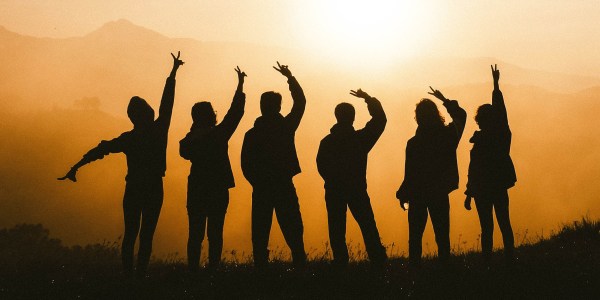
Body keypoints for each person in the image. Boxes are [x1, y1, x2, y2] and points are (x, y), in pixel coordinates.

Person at [58, 52, 184, 276]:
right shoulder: (158, 130)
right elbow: (168, 103)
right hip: (154, 187)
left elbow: (100, 149)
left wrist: (76, 166)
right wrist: (173, 73)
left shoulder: (129, 139)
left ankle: (128, 276)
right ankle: (140, 276)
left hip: (134, 187)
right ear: (147, 113)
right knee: (146, 235)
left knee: (130, 234)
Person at [180, 66, 246, 272]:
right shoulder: (218, 135)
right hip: (217, 188)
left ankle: (193, 270)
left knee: (195, 233)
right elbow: (235, 114)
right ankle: (214, 270)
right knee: (215, 232)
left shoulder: (190, 139)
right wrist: (240, 86)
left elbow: (183, 151)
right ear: (211, 116)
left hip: (197, 188)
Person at [241, 62, 307, 268]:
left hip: (262, 187)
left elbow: (246, 164)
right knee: (292, 226)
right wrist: (290, 77)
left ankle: (261, 267)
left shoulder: (253, 134)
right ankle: (299, 263)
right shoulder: (285, 127)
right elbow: (301, 102)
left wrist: (257, 181)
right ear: (278, 107)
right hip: (282, 184)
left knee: (260, 229)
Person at [316, 89, 387, 268]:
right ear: (353, 118)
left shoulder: (327, 142)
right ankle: (377, 259)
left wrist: (332, 180)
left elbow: (321, 165)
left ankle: (340, 262)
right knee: (367, 225)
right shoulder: (360, 140)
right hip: (357, 189)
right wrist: (368, 99)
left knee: (336, 228)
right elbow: (380, 120)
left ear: (336, 117)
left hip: (334, 190)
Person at [396, 87, 467, 266]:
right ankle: (444, 271)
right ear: (436, 115)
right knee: (442, 235)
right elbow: (461, 116)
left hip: (418, 194)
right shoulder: (448, 136)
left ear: (418, 118)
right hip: (439, 192)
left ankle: (414, 271)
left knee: (415, 237)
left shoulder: (413, 143)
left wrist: (403, 193)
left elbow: (410, 173)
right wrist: (445, 100)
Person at [464, 65, 516, 263]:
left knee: (487, 227)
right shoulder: (502, 136)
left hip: (481, 189)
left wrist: (469, 193)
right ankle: (509, 259)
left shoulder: (483, 141)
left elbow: (473, 170)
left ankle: (488, 263)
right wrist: (495, 85)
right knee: (504, 222)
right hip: (497, 185)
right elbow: (502, 113)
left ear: (478, 121)